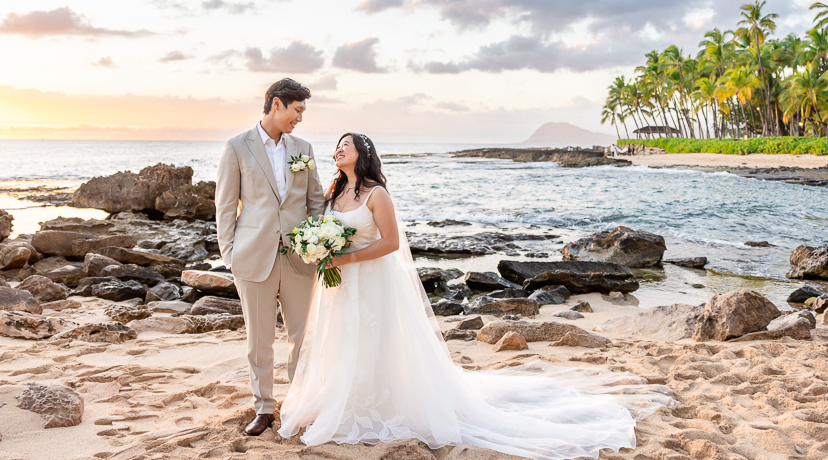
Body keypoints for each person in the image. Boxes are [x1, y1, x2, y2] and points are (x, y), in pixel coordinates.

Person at [279, 133, 673, 459]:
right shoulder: (334, 193)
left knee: (372, 340)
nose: (338, 148)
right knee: (342, 339)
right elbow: (321, 227)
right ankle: (339, 400)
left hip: (369, 279)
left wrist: (347, 255)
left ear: (363, 154)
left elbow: (392, 242)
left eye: (346, 144)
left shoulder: (376, 194)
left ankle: (370, 405)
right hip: (341, 284)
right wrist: (320, 249)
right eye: (337, 145)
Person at [215, 78, 325, 436]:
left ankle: (298, 404)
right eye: (298, 110)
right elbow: (225, 205)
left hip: (299, 259)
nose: (300, 118)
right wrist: (230, 255)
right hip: (252, 258)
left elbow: (315, 201)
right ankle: (263, 409)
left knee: (301, 337)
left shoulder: (303, 147)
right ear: (276, 104)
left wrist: (318, 242)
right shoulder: (237, 147)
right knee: (259, 341)